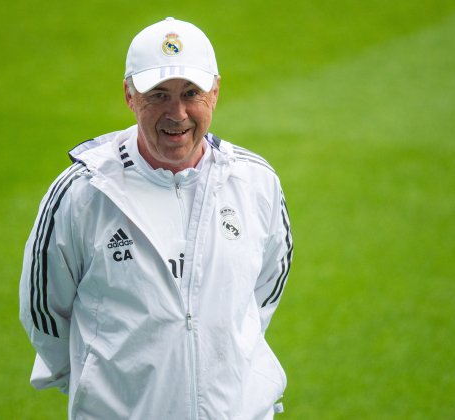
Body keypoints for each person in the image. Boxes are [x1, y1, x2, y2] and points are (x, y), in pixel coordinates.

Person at [19, 17, 293, 419]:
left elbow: (264, 291)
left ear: (215, 92)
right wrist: (100, 386)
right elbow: (43, 311)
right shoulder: (82, 191)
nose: (177, 113)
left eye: (191, 93)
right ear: (130, 96)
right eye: (159, 94)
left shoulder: (256, 182)